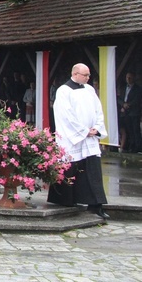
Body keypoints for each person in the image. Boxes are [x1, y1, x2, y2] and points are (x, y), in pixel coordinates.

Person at [47, 64, 110, 219]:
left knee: (92, 170)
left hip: (89, 137)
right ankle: (66, 200)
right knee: (71, 168)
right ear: (75, 73)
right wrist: (83, 131)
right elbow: (66, 115)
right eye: (85, 75)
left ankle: (95, 204)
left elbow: (98, 110)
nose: (88, 78)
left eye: (88, 75)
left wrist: (96, 128)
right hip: (73, 138)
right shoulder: (64, 91)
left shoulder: (89, 90)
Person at [118, 72, 141, 153]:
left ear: (134, 78)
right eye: (127, 78)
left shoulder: (138, 89)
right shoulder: (123, 88)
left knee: (135, 130)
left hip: (134, 112)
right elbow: (119, 98)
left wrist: (128, 105)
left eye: (130, 78)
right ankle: (130, 146)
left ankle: (138, 147)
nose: (128, 79)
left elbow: (137, 100)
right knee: (128, 130)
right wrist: (123, 104)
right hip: (125, 113)